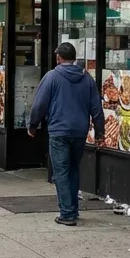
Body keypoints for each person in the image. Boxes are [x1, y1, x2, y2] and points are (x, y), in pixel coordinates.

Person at [28, 42, 104, 226]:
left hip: (59, 129)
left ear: (58, 58)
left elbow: (40, 104)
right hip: (79, 130)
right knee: (73, 169)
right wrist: (100, 132)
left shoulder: (52, 77)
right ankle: (73, 209)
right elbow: (96, 107)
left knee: (61, 171)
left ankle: (67, 213)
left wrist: (33, 125)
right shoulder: (87, 79)